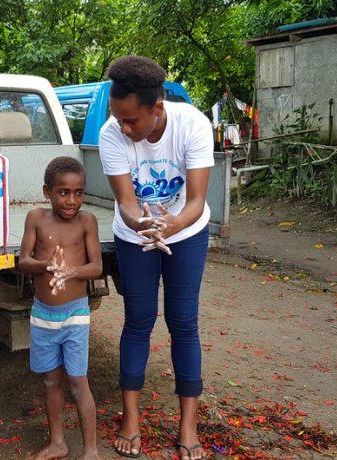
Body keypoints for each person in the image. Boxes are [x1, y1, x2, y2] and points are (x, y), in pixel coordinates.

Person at [99, 56, 214, 460]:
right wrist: (146, 226)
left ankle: (188, 424)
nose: (123, 128)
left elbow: (197, 201)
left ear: (157, 108)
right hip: (135, 235)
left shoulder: (193, 125)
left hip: (187, 231)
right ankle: (130, 417)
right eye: (118, 118)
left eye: (131, 120)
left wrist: (173, 225)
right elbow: (128, 204)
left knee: (183, 321)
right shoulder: (111, 133)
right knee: (139, 318)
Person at [19, 156, 103, 460]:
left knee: (78, 382)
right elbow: (23, 261)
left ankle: (90, 450)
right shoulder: (36, 219)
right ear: (47, 191)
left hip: (75, 314)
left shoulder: (87, 221)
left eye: (78, 193)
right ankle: (58, 442)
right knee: (52, 380)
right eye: (63, 193)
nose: (72, 200)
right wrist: (46, 265)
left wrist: (72, 271)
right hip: (43, 315)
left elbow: (96, 266)